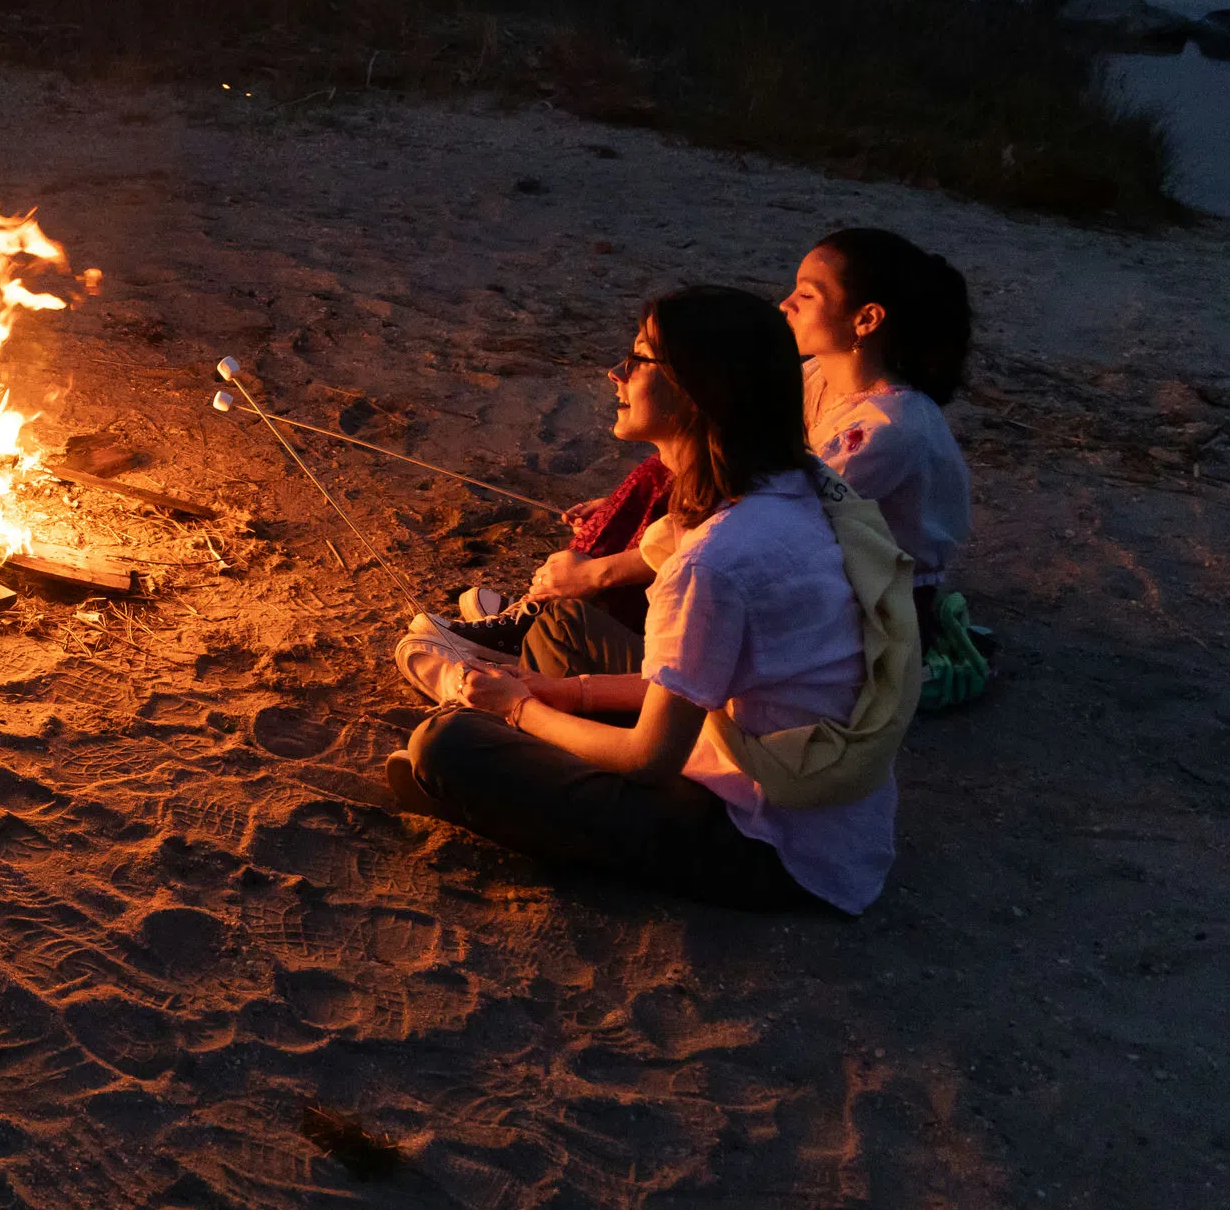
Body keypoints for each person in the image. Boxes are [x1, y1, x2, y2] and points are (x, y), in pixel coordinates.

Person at [383, 286, 919, 915]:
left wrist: (521, 708)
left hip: (774, 846)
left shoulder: (716, 558)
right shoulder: (792, 489)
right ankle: (511, 760)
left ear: (696, 393)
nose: (618, 373)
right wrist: (563, 692)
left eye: (639, 359)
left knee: (445, 744)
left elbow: (648, 758)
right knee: (563, 629)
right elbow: (716, 683)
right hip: (793, 786)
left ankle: (488, 779)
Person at [781, 227, 986, 710]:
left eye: (807, 295)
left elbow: (794, 512)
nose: (786, 304)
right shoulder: (816, 376)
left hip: (879, 599)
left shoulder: (887, 427)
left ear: (867, 318)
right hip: (833, 558)